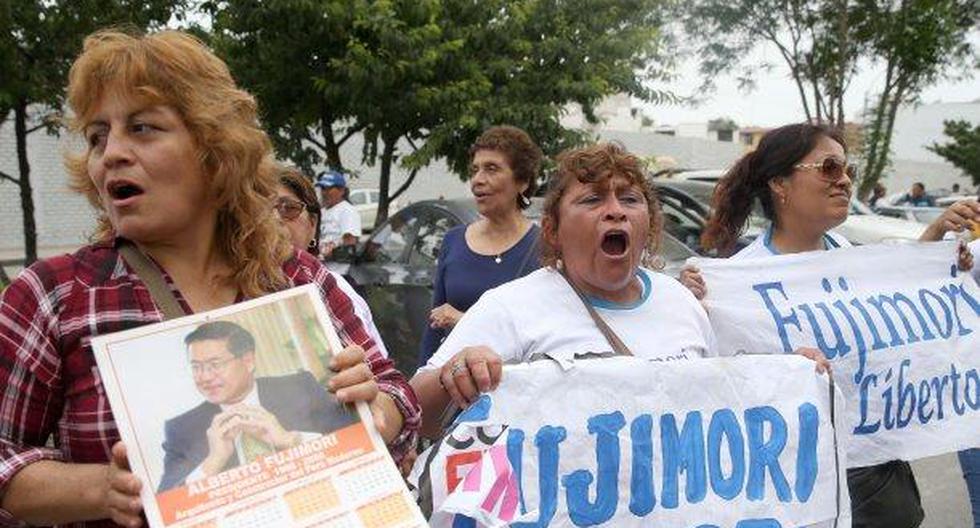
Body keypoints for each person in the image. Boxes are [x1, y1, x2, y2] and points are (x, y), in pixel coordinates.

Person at [0, 29, 419, 528]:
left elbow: (396, 399)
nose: (111, 152)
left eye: (142, 128)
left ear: (213, 148)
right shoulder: (55, 295)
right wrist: (102, 489)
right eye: (97, 136)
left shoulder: (298, 278)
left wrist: (376, 408)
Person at [681, 122, 980, 528]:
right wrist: (686, 305)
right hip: (801, 488)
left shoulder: (847, 255)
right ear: (780, 185)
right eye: (829, 168)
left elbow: (892, 299)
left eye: (847, 171)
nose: (844, 181)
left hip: (880, 483)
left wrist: (938, 256)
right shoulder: (736, 283)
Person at [158, 321, 357, 492]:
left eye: (215, 364)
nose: (205, 377)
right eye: (196, 367)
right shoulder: (180, 429)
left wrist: (291, 440)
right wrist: (212, 463)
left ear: (248, 360)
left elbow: (357, 442)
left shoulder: (299, 386)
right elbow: (165, 508)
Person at [418, 126, 544, 366]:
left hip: (514, 392)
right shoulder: (453, 241)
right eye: (475, 170)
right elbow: (435, 327)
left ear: (523, 182)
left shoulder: (545, 248)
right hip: (453, 391)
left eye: (492, 169)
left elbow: (544, 336)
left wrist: (463, 320)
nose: (478, 180)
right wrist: (419, 392)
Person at [276, 166, 389, 358]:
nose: (274, 220)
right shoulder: (325, 211)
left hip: (340, 270)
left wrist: (330, 251)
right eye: (323, 188)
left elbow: (350, 240)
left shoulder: (347, 211)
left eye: (289, 209)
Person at [316, 169, 361, 259]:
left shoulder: (347, 211)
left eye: (329, 188)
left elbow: (350, 242)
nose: (324, 192)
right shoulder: (323, 211)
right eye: (323, 188)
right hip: (322, 264)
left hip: (337, 267)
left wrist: (331, 254)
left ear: (342, 191)